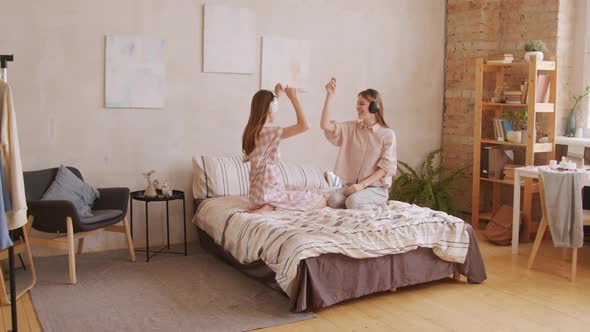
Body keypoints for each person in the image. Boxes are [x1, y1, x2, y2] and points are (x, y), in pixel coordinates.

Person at [242, 84, 327, 212]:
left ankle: (269, 206)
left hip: (257, 195)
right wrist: (294, 98)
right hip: (270, 192)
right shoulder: (268, 133)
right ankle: (272, 206)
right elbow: (305, 125)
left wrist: (278, 96)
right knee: (320, 200)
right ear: (271, 109)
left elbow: (268, 111)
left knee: (302, 190)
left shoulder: (251, 132)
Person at [320, 77, 397, 209]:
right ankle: (360, 204)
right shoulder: (352, 128)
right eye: (357, 103)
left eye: (361, 103)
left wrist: (361, 186)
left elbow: (385, 168)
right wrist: (329, 95)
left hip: (375, 189)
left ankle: (378, 206)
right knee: (333, 200)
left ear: (374, 107)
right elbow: (325, 125)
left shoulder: (387, 134)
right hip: (352, 187)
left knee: (353, 202)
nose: (357, 107)